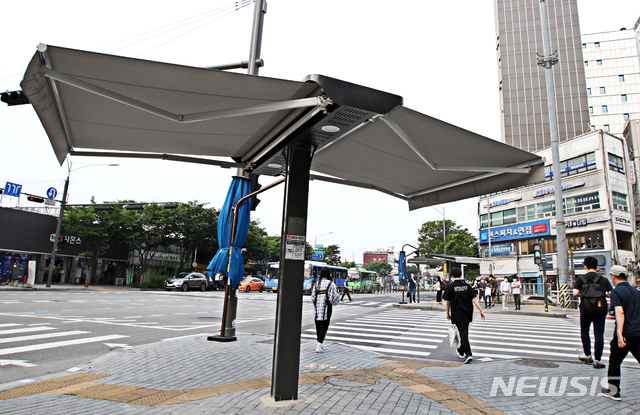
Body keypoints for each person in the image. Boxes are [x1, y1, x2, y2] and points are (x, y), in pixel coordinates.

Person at [601, 265, 640, 401]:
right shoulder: (636, 292)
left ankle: (614, 391)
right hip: (637, 332)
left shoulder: (616, 292)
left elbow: (620, 312)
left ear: (613, 276)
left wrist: (619, 334)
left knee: (615, 360)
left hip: (626, 333)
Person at [573, 256, 612, 369]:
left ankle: (587, 354)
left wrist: (585, 294)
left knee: (585, 331)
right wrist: (601, 294)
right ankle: (598, 359)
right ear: (597, 267)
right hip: (600, 309)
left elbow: (575, 293)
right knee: (599, 334)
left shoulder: (581, 279)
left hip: (585, 309)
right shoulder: (603, 279)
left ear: (585, 266)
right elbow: (610, 293)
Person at [444, 267, 485, 364]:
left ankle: (468, 354)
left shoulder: (450, 287)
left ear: (452, 276)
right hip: (468, 312)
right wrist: (481, 310)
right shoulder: (467, 286)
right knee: (464, 331)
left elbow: (447, 302)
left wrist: (447, 313)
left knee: (463, 332)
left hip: (457, 312)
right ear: (460, 274)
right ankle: (461, 350)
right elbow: (474, 299)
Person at [311, 267, 341, 353]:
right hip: (326, 308)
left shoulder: (317, 283)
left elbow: (312, 297)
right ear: (329, 274)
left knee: (318, 326)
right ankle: (319, 345)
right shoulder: (331, 284)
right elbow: (334, 299)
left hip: (317, 309)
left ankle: (319, 343)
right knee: (324, 326)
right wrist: (338, 297)